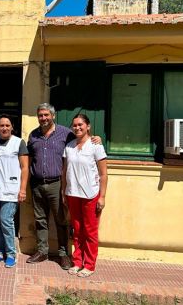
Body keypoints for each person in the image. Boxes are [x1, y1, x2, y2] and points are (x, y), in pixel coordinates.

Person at [27, 103, 102, 270]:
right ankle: (42, 251)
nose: (44, 118)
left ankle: (63, 253)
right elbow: (29, 159)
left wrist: (97, 138)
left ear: (53, 116)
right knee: (40, 220)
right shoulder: (33, 135)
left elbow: (82, 138)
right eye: (41, 115)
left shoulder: (66, 133)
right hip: (37, 183)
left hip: (57, 183)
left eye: (47, 115)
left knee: (61, 219)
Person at [62, 114, 108, 278]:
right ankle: (77, 262)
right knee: (77, 230)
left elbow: (103, 174)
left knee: (90, 231)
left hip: (91, 194)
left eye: (80, 125)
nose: (77, 128)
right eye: (74, 125)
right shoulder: (69, 146)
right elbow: (65, 171)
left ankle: (89, 264)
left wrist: (102, 196)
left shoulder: (96, 145)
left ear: (88, 126)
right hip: (73, 194)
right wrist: (63, 191)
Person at [0, 115, 29, 268]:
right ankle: (0, 252)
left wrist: (23, 189)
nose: (4, 128)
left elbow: (25, 168)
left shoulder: (19, 143)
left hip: (11, 189)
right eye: (1, 125)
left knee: (6, 221)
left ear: (12, 127)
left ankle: (11, 254)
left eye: (7, 125)